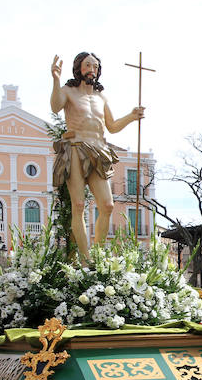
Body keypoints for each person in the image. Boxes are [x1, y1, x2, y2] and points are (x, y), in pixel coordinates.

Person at [50, 52, 145, 261]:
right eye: (87, 65)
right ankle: (85, 260)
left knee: (107, 205)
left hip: (99, 149)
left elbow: (111, 126)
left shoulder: (101, 97)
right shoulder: (69, 91)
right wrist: (56, 80)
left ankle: (98, 256)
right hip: (75, 148)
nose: (91, 69)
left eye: (95, 66)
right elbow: (55, 107)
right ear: (78, 68)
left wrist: (131, 116)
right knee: (78, 204)